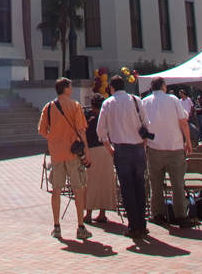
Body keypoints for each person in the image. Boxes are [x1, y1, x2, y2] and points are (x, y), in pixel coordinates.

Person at [38, 77, 92, 241]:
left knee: (56, 189)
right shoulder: (75, 106)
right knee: (78, 189)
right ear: (65, 90)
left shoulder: (48, 107)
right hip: (73, 153)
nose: (72, 90)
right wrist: (86, 153)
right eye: (71, 87)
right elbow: (81, 130)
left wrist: (52, 139)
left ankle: (56, 226)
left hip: (56, 153)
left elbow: (41, 130)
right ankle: (80, 226)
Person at [99, 75, 150, 239]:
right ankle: (142, 224)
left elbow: (100, 130)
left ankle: (133, 225)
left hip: (120, 148)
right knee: (139, 186)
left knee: (127, 188)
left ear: (111, 88)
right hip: (137, 147)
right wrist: (144, 143)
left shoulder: (107, 103)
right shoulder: (136, 100)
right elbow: (147, 124)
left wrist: (109, 148)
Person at [141, 77, 194, 229]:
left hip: (154, 147)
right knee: (177, 183)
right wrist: (188, 142)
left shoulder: (145, 101)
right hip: (174, 146)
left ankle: (157, 214)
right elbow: (183, 122)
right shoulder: (173, 99)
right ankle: (181, 216)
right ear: (163, 86)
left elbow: (143, 126)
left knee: (155, 182)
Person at [81, 93, 117, 225]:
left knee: (90, 182)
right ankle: (102, 213)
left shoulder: (89, 119)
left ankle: (89, 213)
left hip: (92, 151)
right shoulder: (107, 117)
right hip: (106, 150)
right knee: (105, 182)